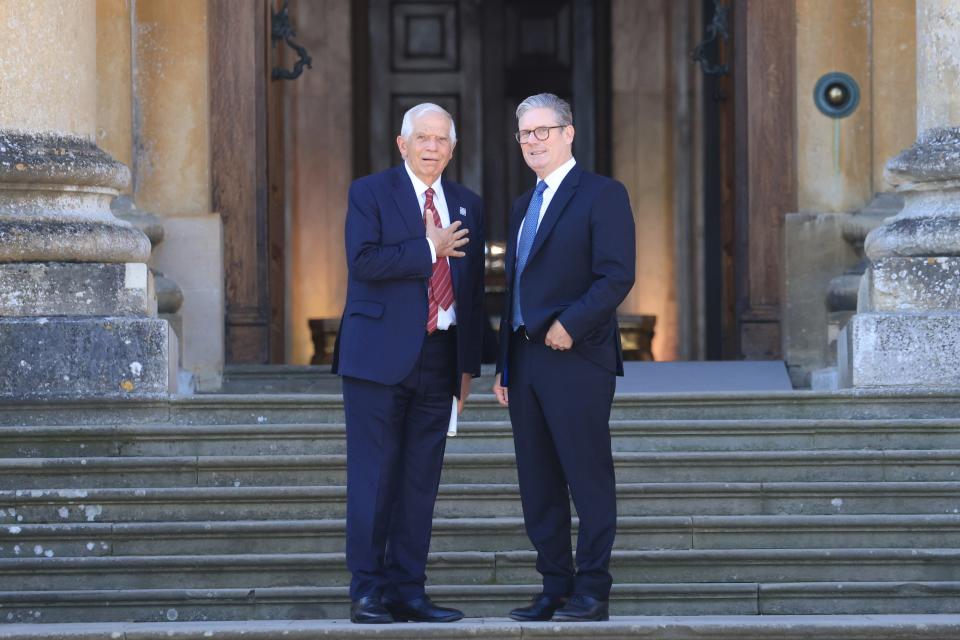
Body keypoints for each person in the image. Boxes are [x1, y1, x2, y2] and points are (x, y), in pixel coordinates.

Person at [333, 103, 485, 624]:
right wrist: (430, 247)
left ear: (452, 148)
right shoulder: (369, 193)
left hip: (440, 359)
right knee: (374, 478)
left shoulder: (467, 204)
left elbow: (475, 294)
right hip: (376, 358)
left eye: (442, 139)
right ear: (402, 144)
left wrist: (467, 368)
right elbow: (364, 261)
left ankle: (409, 591)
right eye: (422, 137)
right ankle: (368, 592)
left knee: (422, 481)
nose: (432, 146)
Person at [493, 93, 635, 622]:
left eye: (542, 132)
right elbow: (515, 291)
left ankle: (593, 588)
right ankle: (555, 584)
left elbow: (617, 274)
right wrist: (505, 367)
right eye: (524, 134)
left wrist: (569, 324)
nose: (532, 142)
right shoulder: (522, 205)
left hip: (578, 357)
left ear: (568, 133)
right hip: (526, 363)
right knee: (538, 481)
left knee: (586, 475)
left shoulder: (602, 194)